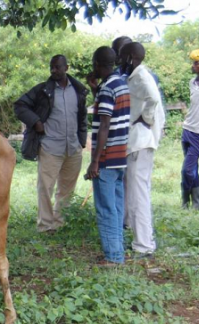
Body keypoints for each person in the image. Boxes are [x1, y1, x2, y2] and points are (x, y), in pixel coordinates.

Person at [15, 55, 89, 234]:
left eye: (57, 67)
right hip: (50, 147)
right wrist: (36, 122)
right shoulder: (43, 90)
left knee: (67, 189)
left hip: (73, 147)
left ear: (66, 68)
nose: (53, 70)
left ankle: (59, 223)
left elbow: (82, 117)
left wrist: (81, 141)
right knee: (45, 188)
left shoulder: (78, 90)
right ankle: (45, 225)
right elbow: (19, 105)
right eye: (51, 67)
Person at [86, 46, 130, 266]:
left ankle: (113, 257)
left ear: (97, 64)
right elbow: (109, 112)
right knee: (117, 207)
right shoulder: (120, 84)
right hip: (120, 155)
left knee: (105, 208)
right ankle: (118, 250)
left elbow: (104, 125)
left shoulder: (107, 88)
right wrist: (95, 89)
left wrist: (94, 161)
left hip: (106, 158)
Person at [120, 42, 165, 260]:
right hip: (137, 143)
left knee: (139, 196)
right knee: (136, 193)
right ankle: (141, 240)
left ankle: (144, 245)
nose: (119, 61)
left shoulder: (141, 76)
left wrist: (145, 118)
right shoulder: (134, 76)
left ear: (130, 57)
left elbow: (154, 99)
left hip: (140, 142)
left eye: (122, 57)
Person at [181, 49, 199, 210]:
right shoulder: (192, 82)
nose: (193, 65)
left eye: (196, 63)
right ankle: (195, 204)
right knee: (192, 168)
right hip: (187, 130)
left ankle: (185, 201)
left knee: (187, 170)